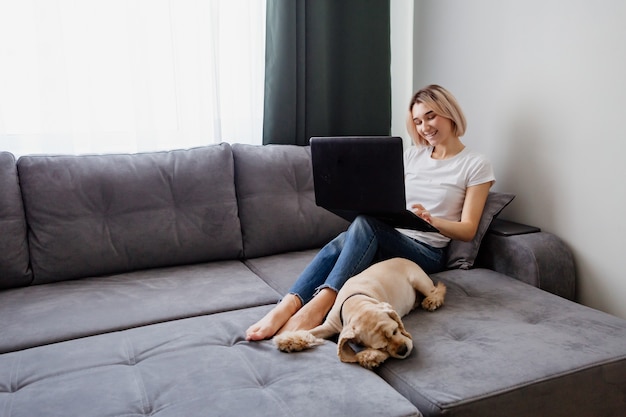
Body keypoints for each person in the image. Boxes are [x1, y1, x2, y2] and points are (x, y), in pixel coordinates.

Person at [245, 84, 494, 341]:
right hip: (392, 234)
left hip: (427, 251)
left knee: (364, 225)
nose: (424, 127)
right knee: (346, 237)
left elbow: (468, 229)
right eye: (418, 121)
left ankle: (317, 307)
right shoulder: (412, 156)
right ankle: (287, 306)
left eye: (431, 116)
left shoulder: (475, 164)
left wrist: (432, 221)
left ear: (449, 112)